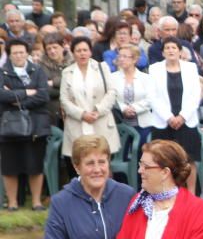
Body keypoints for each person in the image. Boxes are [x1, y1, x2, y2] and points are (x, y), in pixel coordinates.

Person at [0, 38, 50, 209]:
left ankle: (36, 202)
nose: (19, 55)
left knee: (35, 165)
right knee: (9, 166)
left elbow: (43, 96)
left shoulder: (37, 71)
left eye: (22, 52)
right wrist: (26, 93)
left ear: (27, 53)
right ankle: (12, 203)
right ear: (9, 55)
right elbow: (1, 97)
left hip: (36, 125)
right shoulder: (2, 72)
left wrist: (16, 99)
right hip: (9, 126)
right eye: (15, 53)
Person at [147, 37, 200, 192]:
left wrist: (182, 116)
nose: (171, 50)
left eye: (174, 48)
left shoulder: (190, 68)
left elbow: (195, 95)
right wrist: (169, 117)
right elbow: (153, 97)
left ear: (179, 51)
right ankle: (164, 192)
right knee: (162, 161)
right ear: (163, 52)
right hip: (163, 122)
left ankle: (191, 195)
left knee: (189, 160)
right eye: (167, 48)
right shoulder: (155, 69)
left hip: (187, 121)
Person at [60, 37, 120, 162]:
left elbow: (111, 92)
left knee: (103, 161)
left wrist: (98, 110)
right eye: (78, 50)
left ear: (90, 52)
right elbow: (64, 100)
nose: (82, 53)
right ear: (73, 53)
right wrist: (81, 114)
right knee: (81, 162)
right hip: (77, 125)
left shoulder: (102, 68)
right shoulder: (67, 72)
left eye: (85, 50)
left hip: (101, 122)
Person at [110, 45, 155, 147]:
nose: (121, 59)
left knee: (142, 154)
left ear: (135, 59)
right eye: (120, 56)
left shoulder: (146, 78)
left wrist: (134, 108)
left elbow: (150, 99)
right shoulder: (112, 78)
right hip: (121, 124)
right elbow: (112, 98)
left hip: (143, 124)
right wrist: (124, 109)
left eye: (125, 56)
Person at [39, 33, 68, 127]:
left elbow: (77, 84)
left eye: (55, 47)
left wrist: (54, 82)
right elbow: (45, 90)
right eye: (49, 49)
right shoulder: (41, 66)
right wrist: (66, 86)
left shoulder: (73, 62)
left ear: (63, 46)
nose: (52, 51)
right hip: (52, 113)